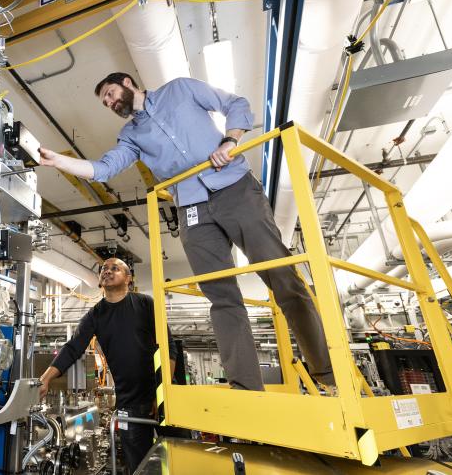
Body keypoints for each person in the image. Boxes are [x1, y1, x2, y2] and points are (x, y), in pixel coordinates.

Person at [38, 73, 334, 392]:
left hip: (234, 187)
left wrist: (230, 140)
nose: (110, 102)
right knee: (221, 297)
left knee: (282, 275)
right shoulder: (131, 135)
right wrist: (60, 163)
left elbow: (236, 104)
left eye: (110, 93)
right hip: (191, 207)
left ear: (127, 82)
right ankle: (246, 386)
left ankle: (327, 371)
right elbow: (104, 168)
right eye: (105, 102)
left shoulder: (179, 90)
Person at [38, 257, 176, 474]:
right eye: (104, 269)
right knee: (139, 466)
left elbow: (169, 347)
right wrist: (45, 378)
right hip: (130, 402)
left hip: (161, 397)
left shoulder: (144, 303)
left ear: (128, 278)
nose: (108, 271)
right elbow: (73, 348)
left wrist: (164, 394)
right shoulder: (95, 315)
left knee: (177, 458)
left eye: (115, 268)